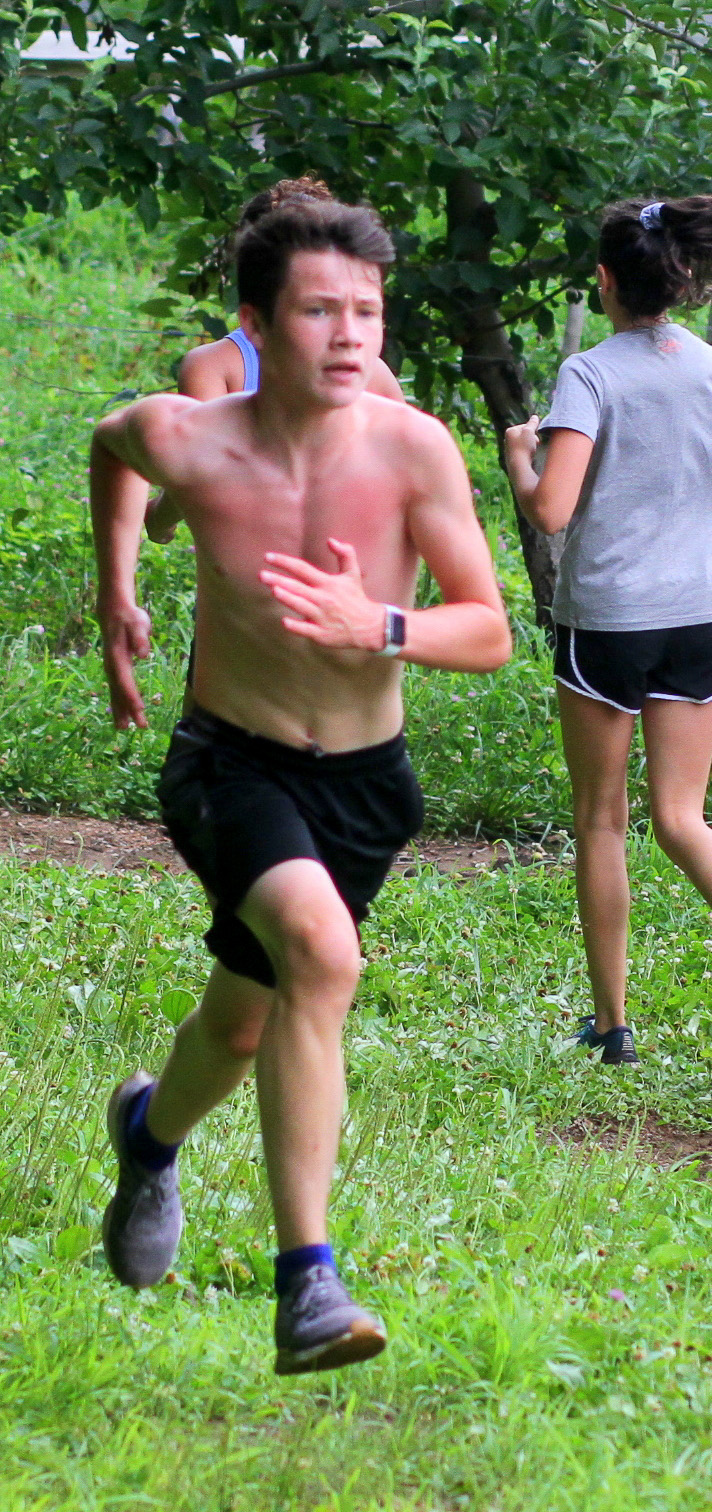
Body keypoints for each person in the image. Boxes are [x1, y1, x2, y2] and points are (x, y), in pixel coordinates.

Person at [90, 196, 513, 1374]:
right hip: (230, 763)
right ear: (257, 323)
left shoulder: (415, 449)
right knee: (322, 956)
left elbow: (488, 630)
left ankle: (147, 1137)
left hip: (365, 784)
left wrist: (380, 624)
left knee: (243, 1020)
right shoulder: (190, 437)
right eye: (321, 311)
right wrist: (118, 591)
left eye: (367, 312)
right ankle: (308, 1286)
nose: (350, 336)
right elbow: (113, 446)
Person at [501, 190, 712, 1068]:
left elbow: (551, 510)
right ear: (682, 278)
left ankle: (613, 1027)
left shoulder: (589, 374)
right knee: (681, 816)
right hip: (702, 617)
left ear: (605, 281)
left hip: (611, 623)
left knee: (601, 821)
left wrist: (520, 460)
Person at [143, 177, 405, 550]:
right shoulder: (215, 367)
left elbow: (403, 472)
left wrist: (159, 518)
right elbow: (200, 473)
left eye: (366, 312)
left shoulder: (368, 369)